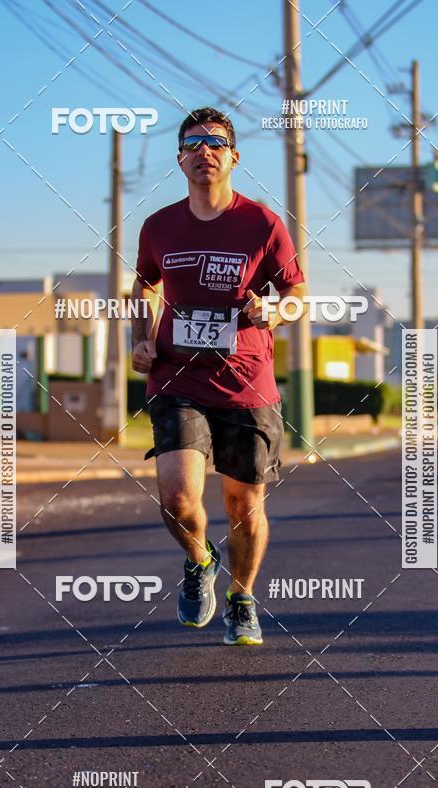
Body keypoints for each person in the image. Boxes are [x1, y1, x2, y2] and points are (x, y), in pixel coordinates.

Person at [130, 106, 307, 646]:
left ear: (234, 157)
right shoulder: (158, 226)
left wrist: (274, 312)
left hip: (246, 383)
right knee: (178, 499)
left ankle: (241, 597)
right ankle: (200, 559)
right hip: (176, 380)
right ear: (180, 158)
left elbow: (297, 294)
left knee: (242, 505)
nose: (203, 150)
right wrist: (139, 337)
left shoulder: (262, 224)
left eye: (215, 142)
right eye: (192, 143)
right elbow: (143, 287)